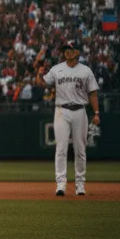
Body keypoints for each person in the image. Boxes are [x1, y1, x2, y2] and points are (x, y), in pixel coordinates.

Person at [38, 41, 100, 197]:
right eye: (66, 49)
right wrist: (38, 72)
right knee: (61, 148)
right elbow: (42, 83)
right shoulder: (56, 69)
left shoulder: (85, 70)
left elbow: (93, 93)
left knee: (80, 149)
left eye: (72, 49)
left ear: (78, 52)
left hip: (80, 111)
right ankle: (60, 184)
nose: (69, 52)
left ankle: (80, 184)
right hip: (62, 111)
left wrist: (96, 113)